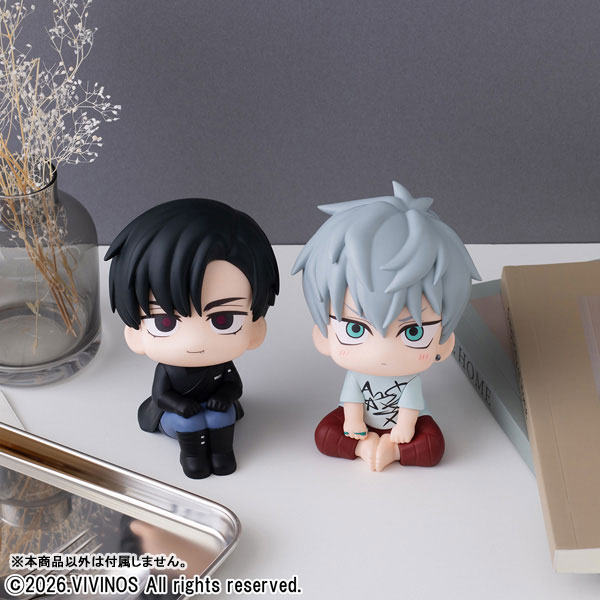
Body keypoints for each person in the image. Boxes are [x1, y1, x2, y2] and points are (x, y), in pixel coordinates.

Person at [292, 182, 480, 471]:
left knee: (433, 446)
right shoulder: (355, 376)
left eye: (414, 332)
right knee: (325, 434)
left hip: (407, 426)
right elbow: (351, 404)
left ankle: (393, 452)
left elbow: (409, 409)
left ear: (444, 344)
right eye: (355, 329)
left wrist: (403, 430)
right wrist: (353, 423)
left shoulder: (410, 380)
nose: (382, 352)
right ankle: (363, 447)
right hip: (360, 425)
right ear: (323, 336)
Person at [105, 198, 279, 478]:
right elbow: (161, 396)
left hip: (214, 408)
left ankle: (222, 453)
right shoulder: (168, 370)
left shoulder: (222, 365)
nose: (195, 342)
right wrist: (180, 405)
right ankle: (192, 457)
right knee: (189, 423)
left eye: (223, 320)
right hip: (177, 416)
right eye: (164, 322)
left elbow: (234, 386)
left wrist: (223, 396)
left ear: (255, 328)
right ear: (135, 334)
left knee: (222, 415)